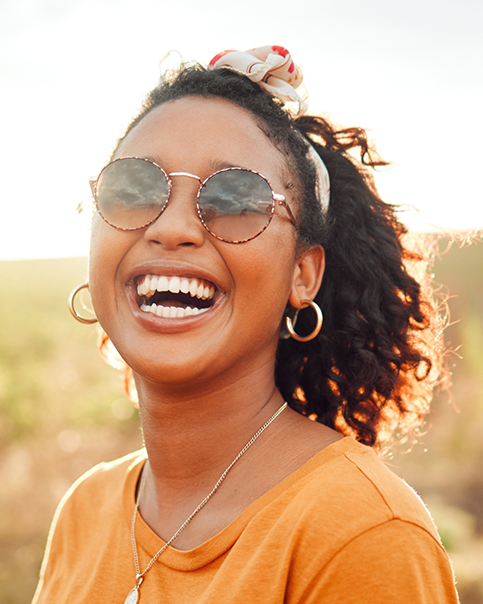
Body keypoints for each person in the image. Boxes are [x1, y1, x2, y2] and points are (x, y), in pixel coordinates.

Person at [33, 46, 459, 603]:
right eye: (133, 188)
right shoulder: (85, 509)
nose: (173, 227)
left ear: (302, 275)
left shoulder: (359, 533)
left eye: (236, 198)